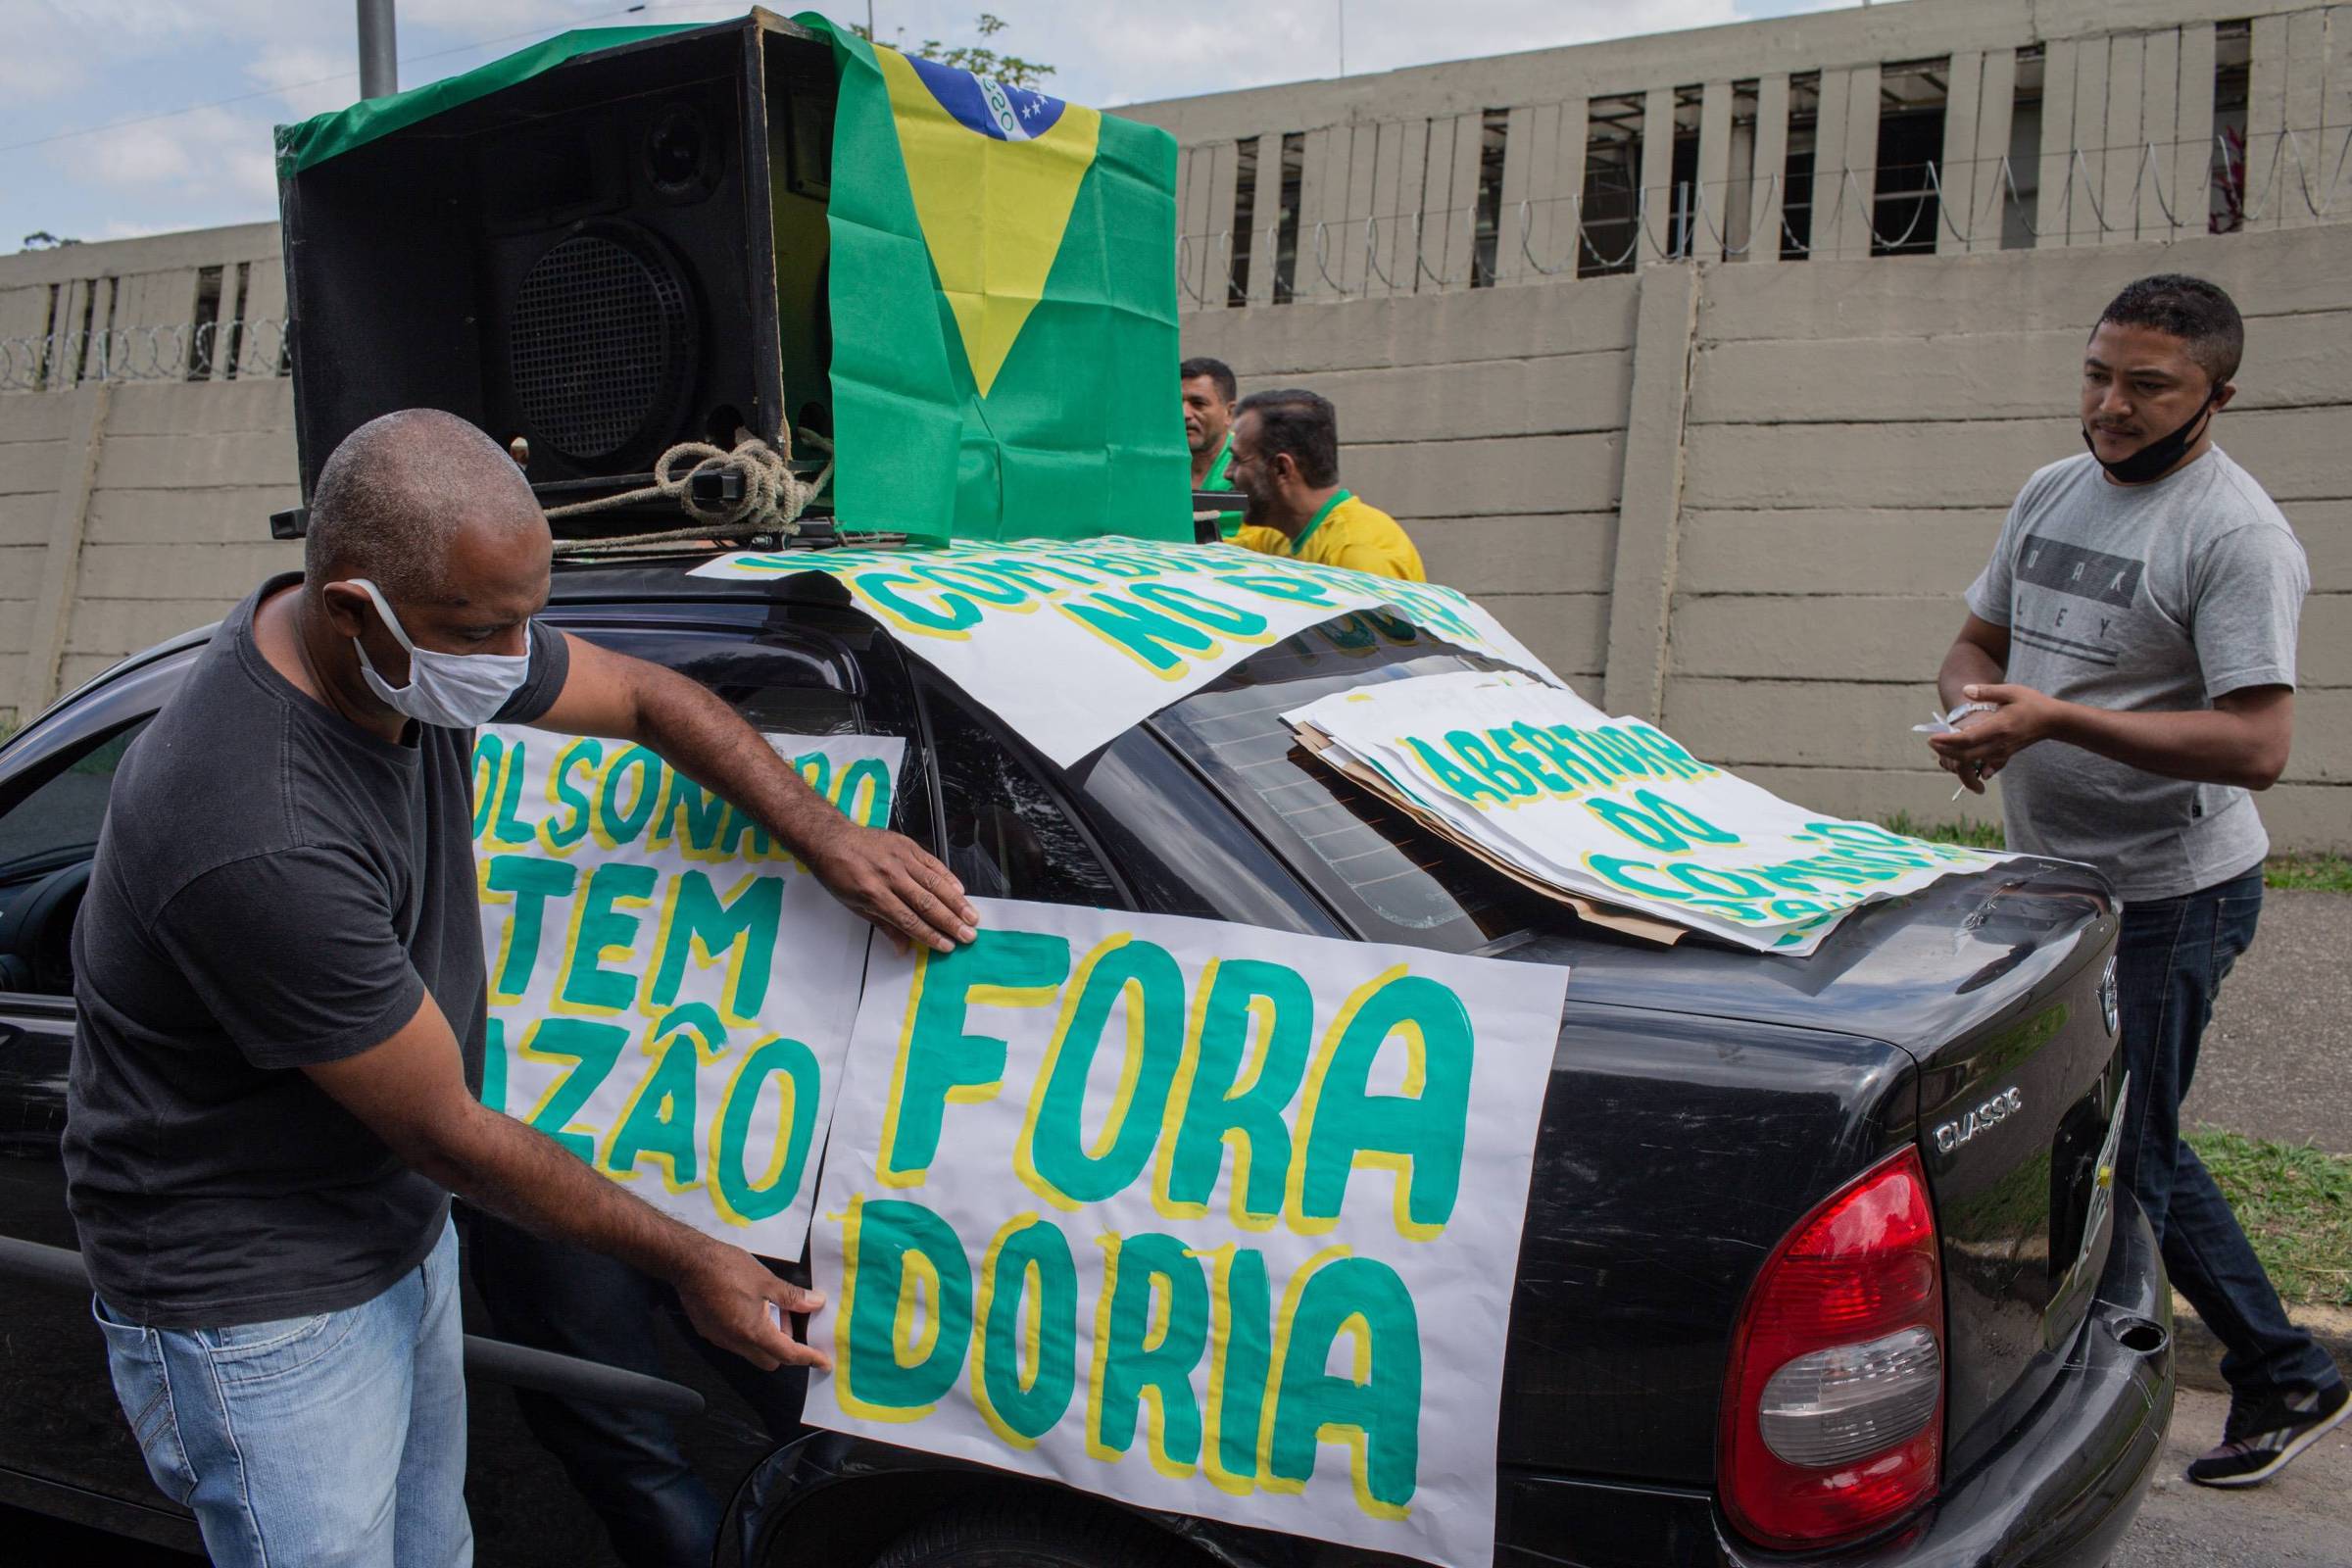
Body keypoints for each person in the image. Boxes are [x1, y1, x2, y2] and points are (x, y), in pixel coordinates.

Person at [64, 409, 979, 1567]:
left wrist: (824, 832)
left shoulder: (414, 639)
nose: (512, 661)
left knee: (435, 1548)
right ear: (353, 605)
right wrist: (695, 1258)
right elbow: (445, 1129)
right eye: (481, 630)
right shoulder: (257, 824)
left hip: (390, 1225)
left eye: (528, 619)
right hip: (260, 1297)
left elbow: (648, 698)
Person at [1928, 274, 2343, 1488]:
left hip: (2176, 894)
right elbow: (1979, 644)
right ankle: (2286, 1366)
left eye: (2148, 385)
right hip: (2056, 876)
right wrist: (1977, 711)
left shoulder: (2236, 536)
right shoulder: (2054, 490)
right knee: (2122, 1134)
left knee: (2119, 1159)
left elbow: (2259, 746)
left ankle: (2074, 1417)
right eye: (2100, 374)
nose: (2112, 405)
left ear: (2217, 393)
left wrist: (2053, 720)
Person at [1225, 388, 1425, 581]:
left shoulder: (1358, 558)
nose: (1227, 473)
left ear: (1281, 469)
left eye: (1238, 460)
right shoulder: (1278, 534)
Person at [1182, 355, 1244, 536]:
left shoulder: (1250, 470)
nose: (1184, 413)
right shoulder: (1156, 469)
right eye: (1176, 403)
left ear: (1229, 413)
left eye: (1198, 403)